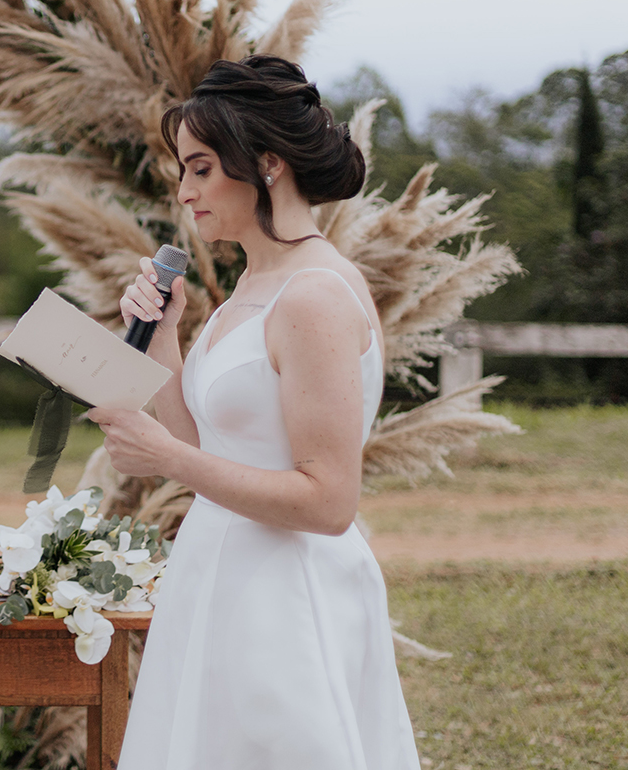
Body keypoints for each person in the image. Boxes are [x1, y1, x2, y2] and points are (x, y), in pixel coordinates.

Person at [89, 56, 421, 769]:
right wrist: (170, 335)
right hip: (218, 574)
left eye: (201, 168)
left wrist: (165, 460)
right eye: (184, 171)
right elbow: (207, 443)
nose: (185, 192)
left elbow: (329, 500)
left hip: (287, 593)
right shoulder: (253, 284)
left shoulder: (315, 295)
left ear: (267, 163)